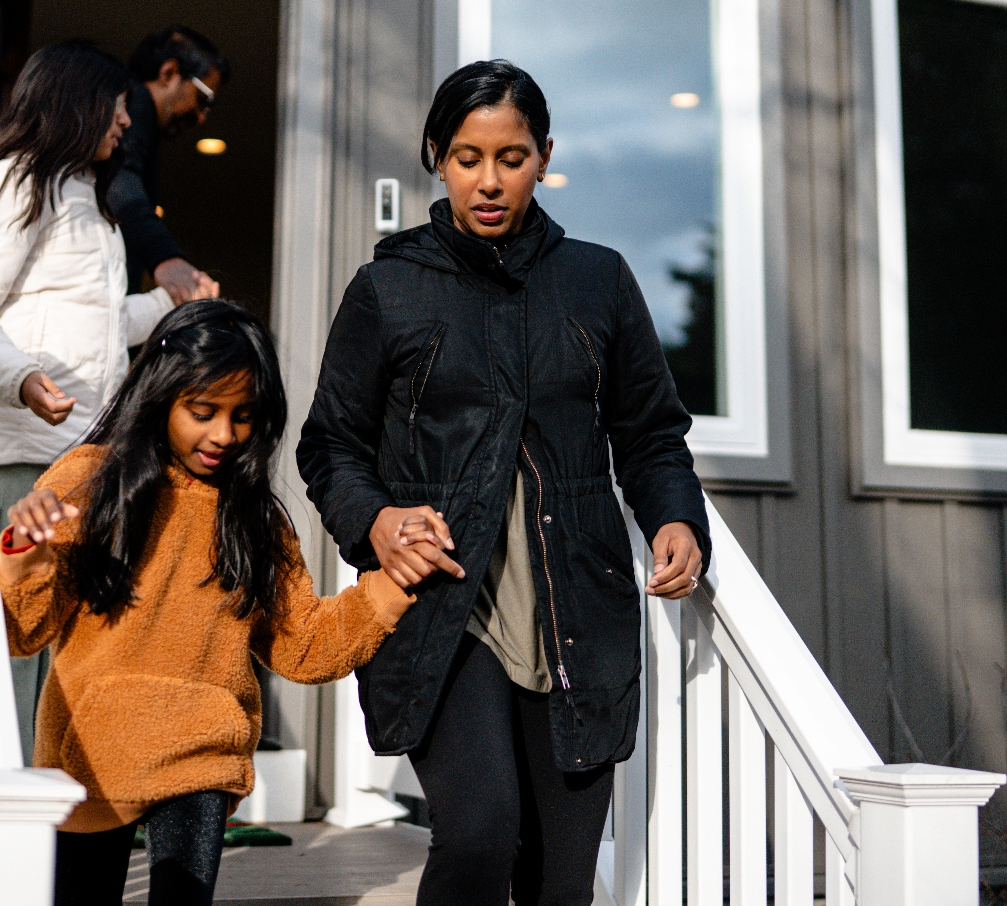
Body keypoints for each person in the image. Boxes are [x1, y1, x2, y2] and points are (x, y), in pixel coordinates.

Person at [296, 60, 712, 906]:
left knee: (560, 885)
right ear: (437, 159)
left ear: (545, 156)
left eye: (512, 157)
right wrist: (372, 521)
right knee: (481, 831)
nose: (489, 181)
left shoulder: (598, 281)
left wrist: (676, 517)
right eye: (467, 157)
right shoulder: (388, 290)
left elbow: (650, 435)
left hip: (574, 606)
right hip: (445, 610)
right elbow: (330, 445)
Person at [0, 300, 424, 906]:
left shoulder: (256, 519)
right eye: (203, 411)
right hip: (92, 751)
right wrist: (26, 550)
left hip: (203, 749)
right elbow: (23, 628)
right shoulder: (89, 479)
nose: (224, 435)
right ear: (161, 396)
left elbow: (302, 645)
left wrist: (386, 586)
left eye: (243, 416)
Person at [0, 39, 215, 759]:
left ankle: (58, 821)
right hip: (23, 459)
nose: (125, 123)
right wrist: (18, 378)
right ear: (77, 104)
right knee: (11, 648)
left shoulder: (90, 205)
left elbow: (94, 323)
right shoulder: (17, 181)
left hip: (79, 461)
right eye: (117, 108)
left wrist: (167, 307)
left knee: (68, 648)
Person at [110, 26, 229, 305]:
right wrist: (165, 258)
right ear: (168, 73)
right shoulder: (135, 105)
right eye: (203, 99)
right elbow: (120, 178)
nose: (202, 116)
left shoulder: (142, 119)